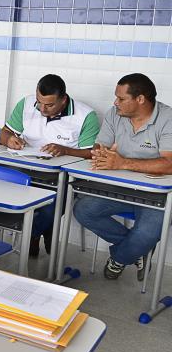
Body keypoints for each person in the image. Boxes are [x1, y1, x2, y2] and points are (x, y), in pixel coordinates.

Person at [73, 73, 172, 281]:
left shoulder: (168, 119)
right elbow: (100, 146)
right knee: (83, 210)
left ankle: (121, 256)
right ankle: (138, 250)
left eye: (121, 98)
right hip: (119, 186)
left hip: (156, 194)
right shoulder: (115, 114)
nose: (115, 102)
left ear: (140, 99)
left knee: (148, 233)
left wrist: (123, 162)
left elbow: (169, 164)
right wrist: (101, 153)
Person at [0, 74, 99, 256]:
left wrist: (65, 150)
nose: (42, 109)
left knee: (51, 208)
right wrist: (9, 140)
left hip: (60, 177)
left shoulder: (86, 115)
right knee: (1, 191)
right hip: (25, 169)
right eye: (39, 102)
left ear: (63, 100)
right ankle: (44, 231)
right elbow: (4, 132)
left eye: (49, 105)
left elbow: (91, 153)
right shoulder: (26, 103)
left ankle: (32, 234)